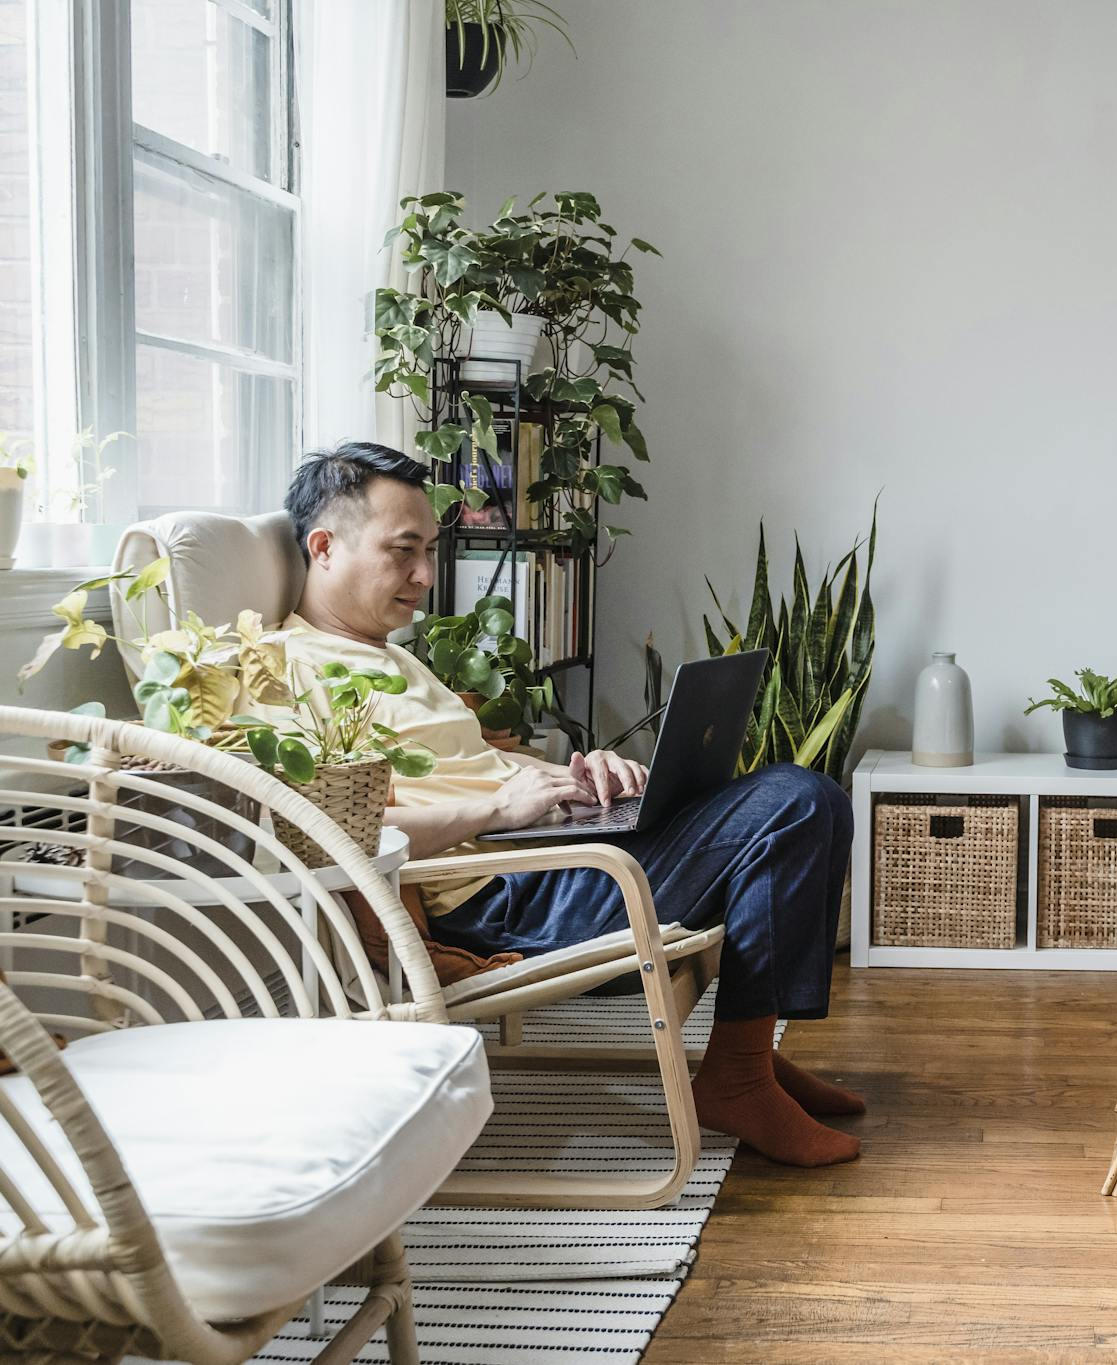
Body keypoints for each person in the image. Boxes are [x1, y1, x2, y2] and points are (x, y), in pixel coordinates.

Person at [278, 442, 862, 1167]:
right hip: (498, 902)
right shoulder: (287, 673)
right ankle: (738, 1076)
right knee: (797, 802)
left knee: (802, 799)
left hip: (540, 857)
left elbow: (470, 768)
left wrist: (573, 774)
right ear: (324, 547)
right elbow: (328, 834)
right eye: (404, 551)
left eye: (429, 550)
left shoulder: (387, 654)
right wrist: (497, 811)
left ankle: (750, 1054)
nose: (425, 575)